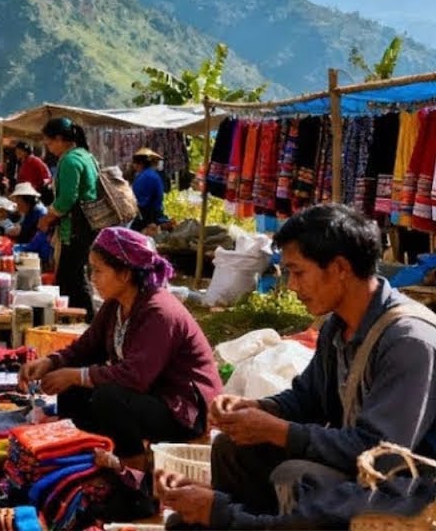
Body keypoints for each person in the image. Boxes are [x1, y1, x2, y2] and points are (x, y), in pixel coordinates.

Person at [158, 204, 436, 529]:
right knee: (232, 449)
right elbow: (308, 399)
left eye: (298, 272)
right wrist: (260, 408)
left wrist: (279, 431)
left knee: (300, 481)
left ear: (339, 268)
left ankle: (234, 521)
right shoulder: (338, 326)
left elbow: (381, 453)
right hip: (361, 464)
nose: (291, 285)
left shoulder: (409, 341)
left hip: (410, 486)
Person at [22, 227, 222, 459]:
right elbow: (86, 348)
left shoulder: (159, 312)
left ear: (125, 274)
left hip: (184, 410)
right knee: (72, 388)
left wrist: (75, 375)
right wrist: (50, 362)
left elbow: (135, 376)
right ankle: (84, 450)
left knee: (107, 398)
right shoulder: (115, 305)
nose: (92, 279)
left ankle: (132, 466)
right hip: (152, 395)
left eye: (98, 271)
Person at [37, 117, 100, 319]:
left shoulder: (69, 160)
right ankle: (84, 320)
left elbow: (66, 200)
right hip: (89, 226)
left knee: (69, 279)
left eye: (49, 143)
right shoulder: (86, 156)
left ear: (59, 139)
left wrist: (47, 217)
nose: (49, 148)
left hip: (75, 228)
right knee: (77, 276)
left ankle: (85, 320)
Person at [131, 147, 167, 233]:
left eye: (135, 163)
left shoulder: (147, 176)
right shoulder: (149, 174)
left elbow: (142, 201)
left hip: (147, 215)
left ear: (140, 164)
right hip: (151, 213)